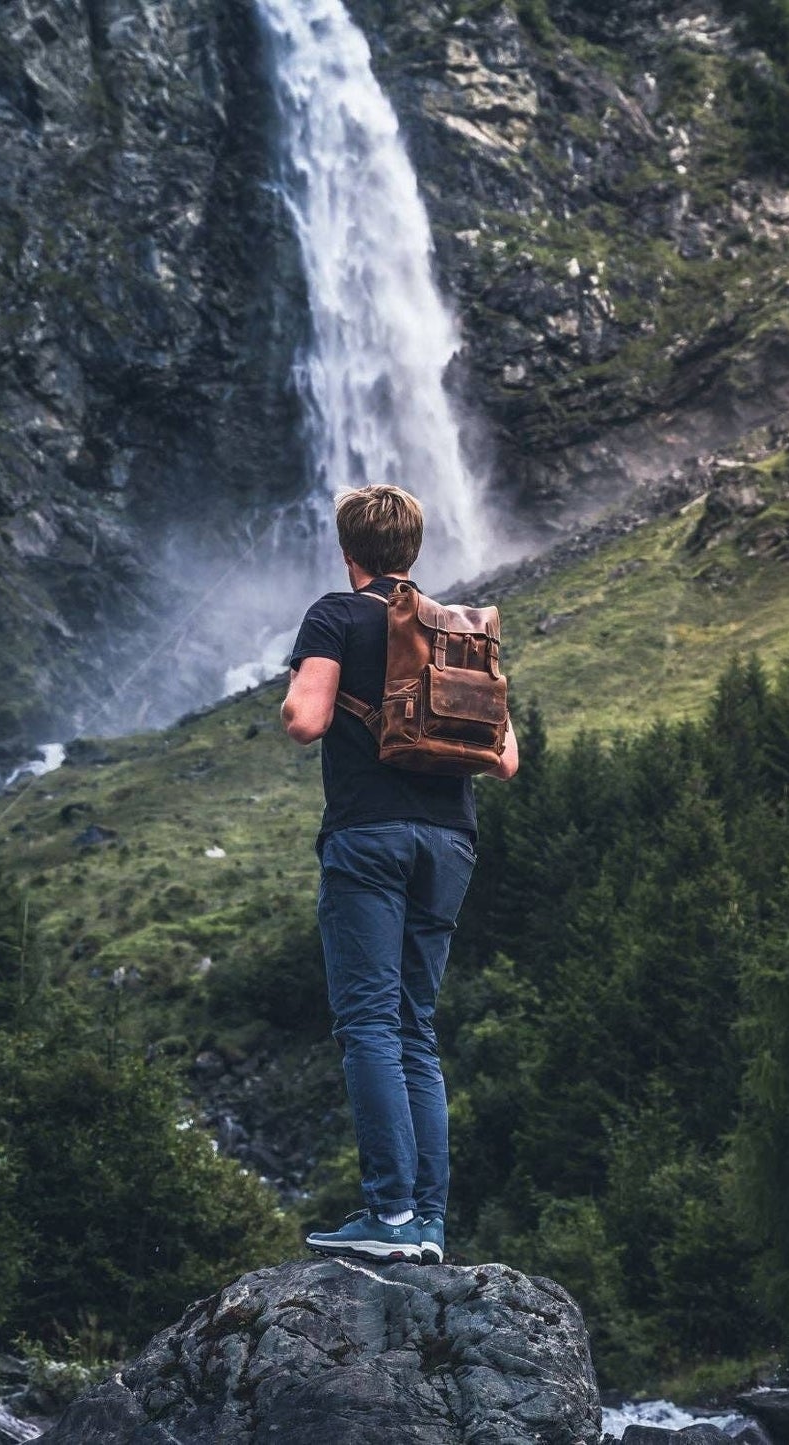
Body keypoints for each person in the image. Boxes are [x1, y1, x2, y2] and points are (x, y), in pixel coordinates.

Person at [281, 484, 518, 1265]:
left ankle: (387, 1214)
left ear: (348, 550)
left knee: (369, 1025)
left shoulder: (336, 613)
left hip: (368, 835)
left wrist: (303, 696)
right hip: (449, 842)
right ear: (412, 549)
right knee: (416, 1026)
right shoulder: (456, 628)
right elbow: (506, 758)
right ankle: (427, 1226)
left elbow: (306, 720)